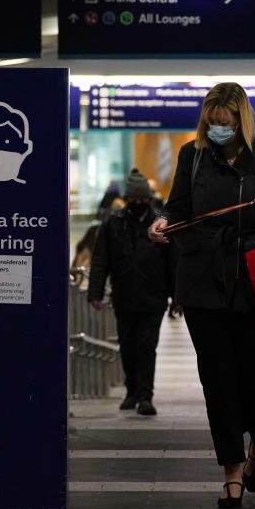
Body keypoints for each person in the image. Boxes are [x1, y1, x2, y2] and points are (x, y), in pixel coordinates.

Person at [148, 82, 255, 509]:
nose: (217, 131)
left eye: (225, 124)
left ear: (242, 121)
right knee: (217, 382)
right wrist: (162, 224)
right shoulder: (192, 156)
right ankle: (231, 470)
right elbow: (177, 207)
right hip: (202, 283)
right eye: (212, 123)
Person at [88, 169, 174, 417]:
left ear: (148, 198)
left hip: (153, 297)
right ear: (127, 198)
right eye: (134, 199)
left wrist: (177, 297)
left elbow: (173, 261)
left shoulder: (160, 224)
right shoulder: (112, 223)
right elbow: (101, 259)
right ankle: (132, 392)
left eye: (142, 199)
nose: (138, 203)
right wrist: (95, 292)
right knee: (127, 345)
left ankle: (145, 396)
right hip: (123, 295)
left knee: (147, 346)